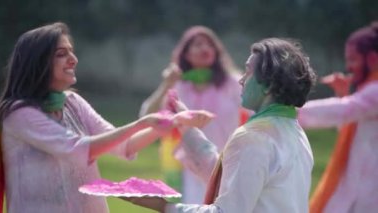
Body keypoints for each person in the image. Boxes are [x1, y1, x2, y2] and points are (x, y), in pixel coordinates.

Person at [0, 22, 213, 213]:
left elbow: (125, 145)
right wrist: (143, 123)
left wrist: (173, 121)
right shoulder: (19, 114)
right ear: (37, 62)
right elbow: (78, 149)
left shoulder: (72, 102)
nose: (73, 60)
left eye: (71, 52)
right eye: (61, 54)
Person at [125, 38, 317, 212]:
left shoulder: (253, 137)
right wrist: (186, 127)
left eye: (249, 72)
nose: (242, 80)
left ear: (267, 85)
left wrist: (166, 207)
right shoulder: (295, 132)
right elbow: (231, 178)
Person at [139, 26, 247, 203]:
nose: (205, 48)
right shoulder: (179, 86)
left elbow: (257, 110)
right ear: (186, 54)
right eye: (198, 44)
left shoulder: (232, 82)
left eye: (209, 44)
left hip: (227, 164)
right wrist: (167, 84)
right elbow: (147, 115)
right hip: (189, 169)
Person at [299, 21, 378, 213]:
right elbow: (352, 129)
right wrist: (343, 95)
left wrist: (287, 110)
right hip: (359, 189)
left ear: (373, 60)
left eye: (353, 60)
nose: (348, 67)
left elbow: (346, 109)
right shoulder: (368, 92)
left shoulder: (375, 91)